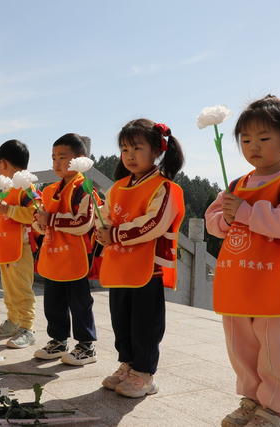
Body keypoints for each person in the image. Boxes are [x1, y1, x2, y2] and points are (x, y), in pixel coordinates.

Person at [205, 95, 280, 427]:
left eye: (264, 138)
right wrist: (226, 219)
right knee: (243, 350)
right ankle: (252, 400)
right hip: (239, 282)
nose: (253, 146)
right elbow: (213, 221)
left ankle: (275, 408)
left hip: (277, 285)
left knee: (276, 351)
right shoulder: (237, 184)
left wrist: (243, 213)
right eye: (246, 139)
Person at [95, 119, 185, 398]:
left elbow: (155, 223)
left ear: (156, 150)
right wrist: (101, 229)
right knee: (121, 320)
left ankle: (145, 374)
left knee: (145, 323)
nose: (129, 155)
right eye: (124, 149)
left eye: (137, 147)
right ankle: (128, 365)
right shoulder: (118, 186)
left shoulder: (166, 187)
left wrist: (116, 234)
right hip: (120, 265)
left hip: (148, 268)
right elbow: (107, 214)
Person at [33, 133, 98, 366]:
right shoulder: (49, 190)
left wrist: (49, 219)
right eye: (53, 157)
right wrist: (40, 221)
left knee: (80, 302)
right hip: (52, 254)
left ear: (80, 159)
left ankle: (86, 345)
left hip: (75, 255)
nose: (56, 162)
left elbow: (83, 223)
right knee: (53, 301)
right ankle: (58, 340)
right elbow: (38, 220)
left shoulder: (85, 187)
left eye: (62, 157)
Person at [0, 139, 38, 348]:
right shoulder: (6, 188)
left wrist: (9, 210)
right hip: (5, 246)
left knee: (22, 289)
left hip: (22, 248)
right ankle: (13, 321)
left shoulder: (27, 187)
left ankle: (27, 327)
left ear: (4, 163)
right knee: (9, 289)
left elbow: (34, 214)